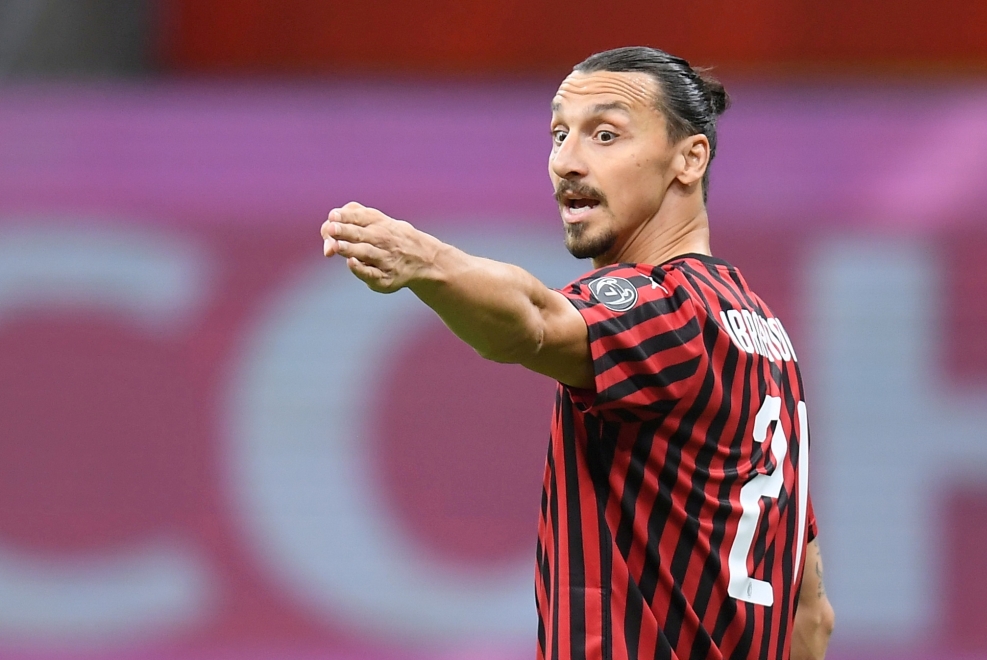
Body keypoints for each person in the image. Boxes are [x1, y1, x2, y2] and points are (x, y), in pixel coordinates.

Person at [320, 46, 834, 660]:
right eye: (559, 133)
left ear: (689, 158)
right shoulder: (766, 338)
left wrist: (423, 261)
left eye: (606, 134)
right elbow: (811, 614)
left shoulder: (667, 308)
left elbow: (533, 322)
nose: (567, 161)